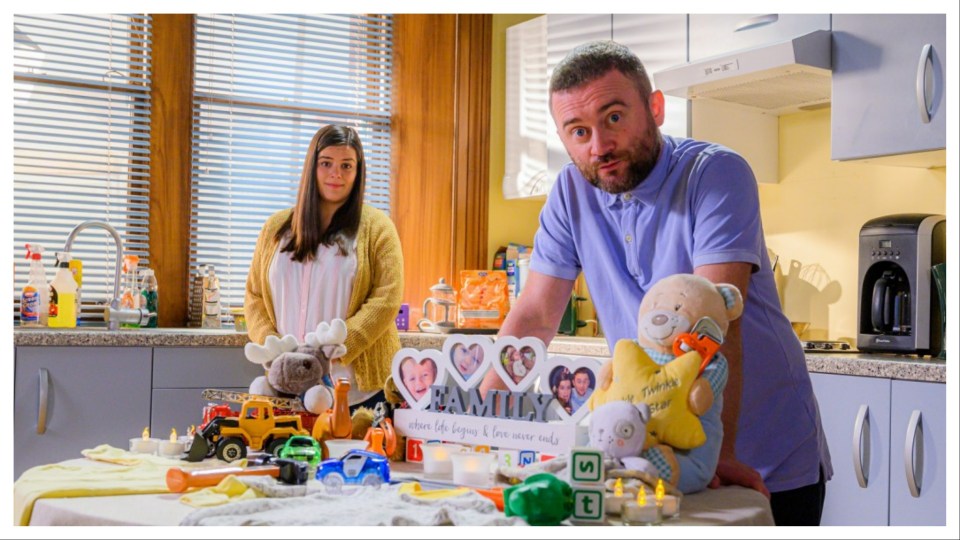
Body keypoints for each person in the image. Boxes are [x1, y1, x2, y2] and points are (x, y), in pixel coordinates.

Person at [480, 41, 831, 526]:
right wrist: (476, 421)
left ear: (656, 108)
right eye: (578, 131)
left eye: (615, 118)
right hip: (652, 458)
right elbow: (536, 314)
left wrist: (717, 454)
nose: (598, 146)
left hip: (756, 454)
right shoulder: (569, 191)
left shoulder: (715, 173)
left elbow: (712, 329)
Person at [245, 124, 403, 413]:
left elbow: (387, 298)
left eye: (347, 165)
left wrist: (339, 347)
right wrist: (278, 349)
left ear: (358, 172)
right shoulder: (275, 229)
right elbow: (254, 297)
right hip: (288, 385)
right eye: (326, 163)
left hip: (357, 392)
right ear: (311, 167)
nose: (336, 174)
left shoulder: (378, 228)